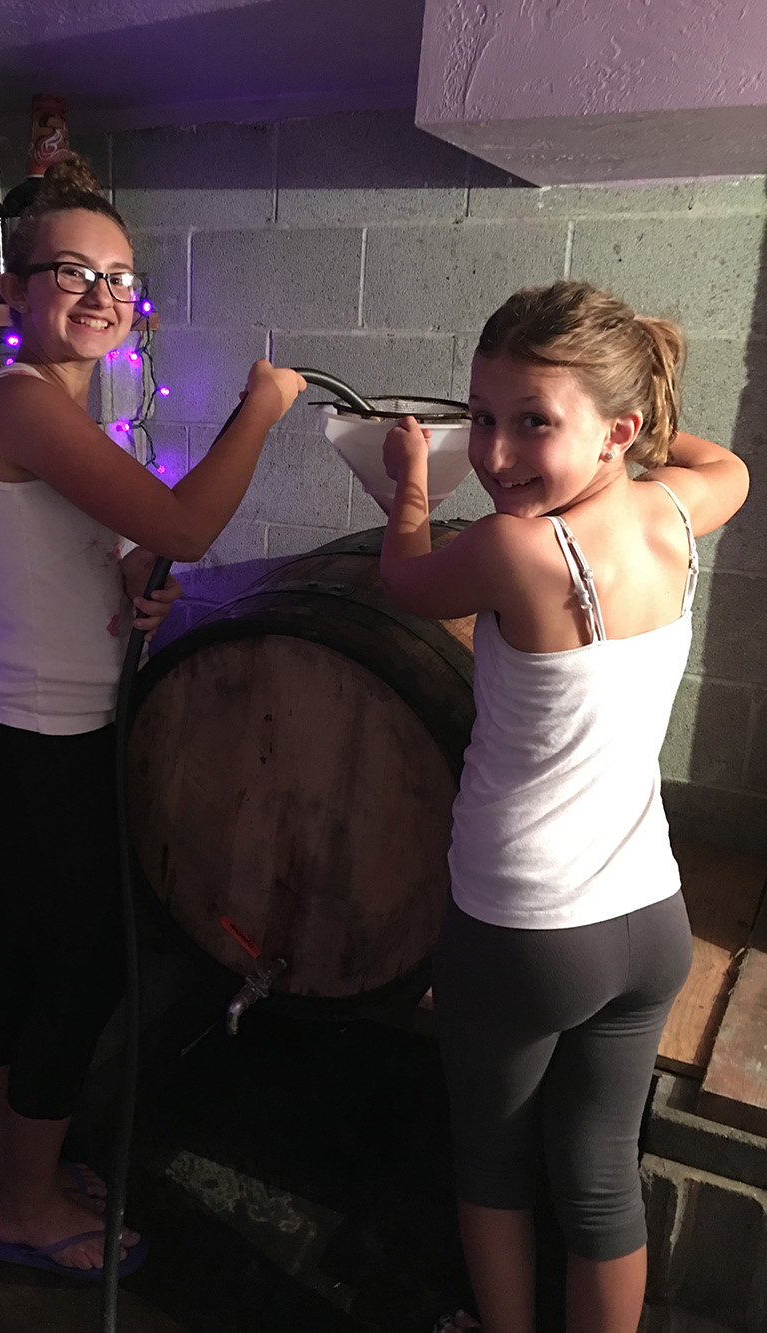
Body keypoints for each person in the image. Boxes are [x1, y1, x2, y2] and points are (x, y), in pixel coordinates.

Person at [0, 153, 306, 1281]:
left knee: (13, 953)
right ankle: (28, 1205)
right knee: (85, 967)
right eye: (70, 271)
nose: (102, 294)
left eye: (120, 277)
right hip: (44, 742)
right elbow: (192, 525)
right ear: (12, 288)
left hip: (17, 730)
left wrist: (127, 579)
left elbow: (91, 553)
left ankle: (0, 1164)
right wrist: (262, 412)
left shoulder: (57, 409)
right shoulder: (18, 399)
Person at [379, 280, 749, 1333]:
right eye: (481, 417)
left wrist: (409, 489)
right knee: (597, 1180)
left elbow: (403, 582)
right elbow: (723, 462)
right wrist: (625, 439)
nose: (494, 455)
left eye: (534, 421)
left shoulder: (514, 549)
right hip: (649, 920)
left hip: (522, 928)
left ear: (617, 428)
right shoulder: (679, 505)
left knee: (491, 1167)